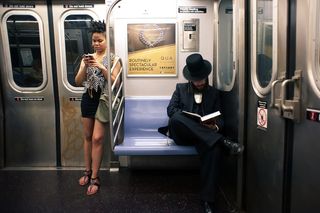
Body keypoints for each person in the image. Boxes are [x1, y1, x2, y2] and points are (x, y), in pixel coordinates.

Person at [166, 53, 244, 212]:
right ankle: (223, 141)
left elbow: (220, 119)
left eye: (202, 78)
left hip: (205, 137)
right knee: (176, 117)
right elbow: (171, 111)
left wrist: (214, 128)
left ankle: (208, 201)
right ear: (190, 79)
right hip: (183, 133)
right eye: (195, 79)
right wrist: (190, 118)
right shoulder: (180, 89)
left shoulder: (214, 93)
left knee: (214, 150)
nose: (199, 82)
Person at [75, 20, 121, 196]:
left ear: (106, 40)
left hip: (103, 101)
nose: (96, 44)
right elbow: (78, 82)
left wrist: (101, 67)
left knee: (98, 138)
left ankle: (95, 177)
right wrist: (85, 66)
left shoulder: (114, 59)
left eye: (99, 40)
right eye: (94, 40)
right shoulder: (86, 58)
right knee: (87, 137)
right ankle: (87, 171)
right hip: (88, 99)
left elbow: (115, 83)